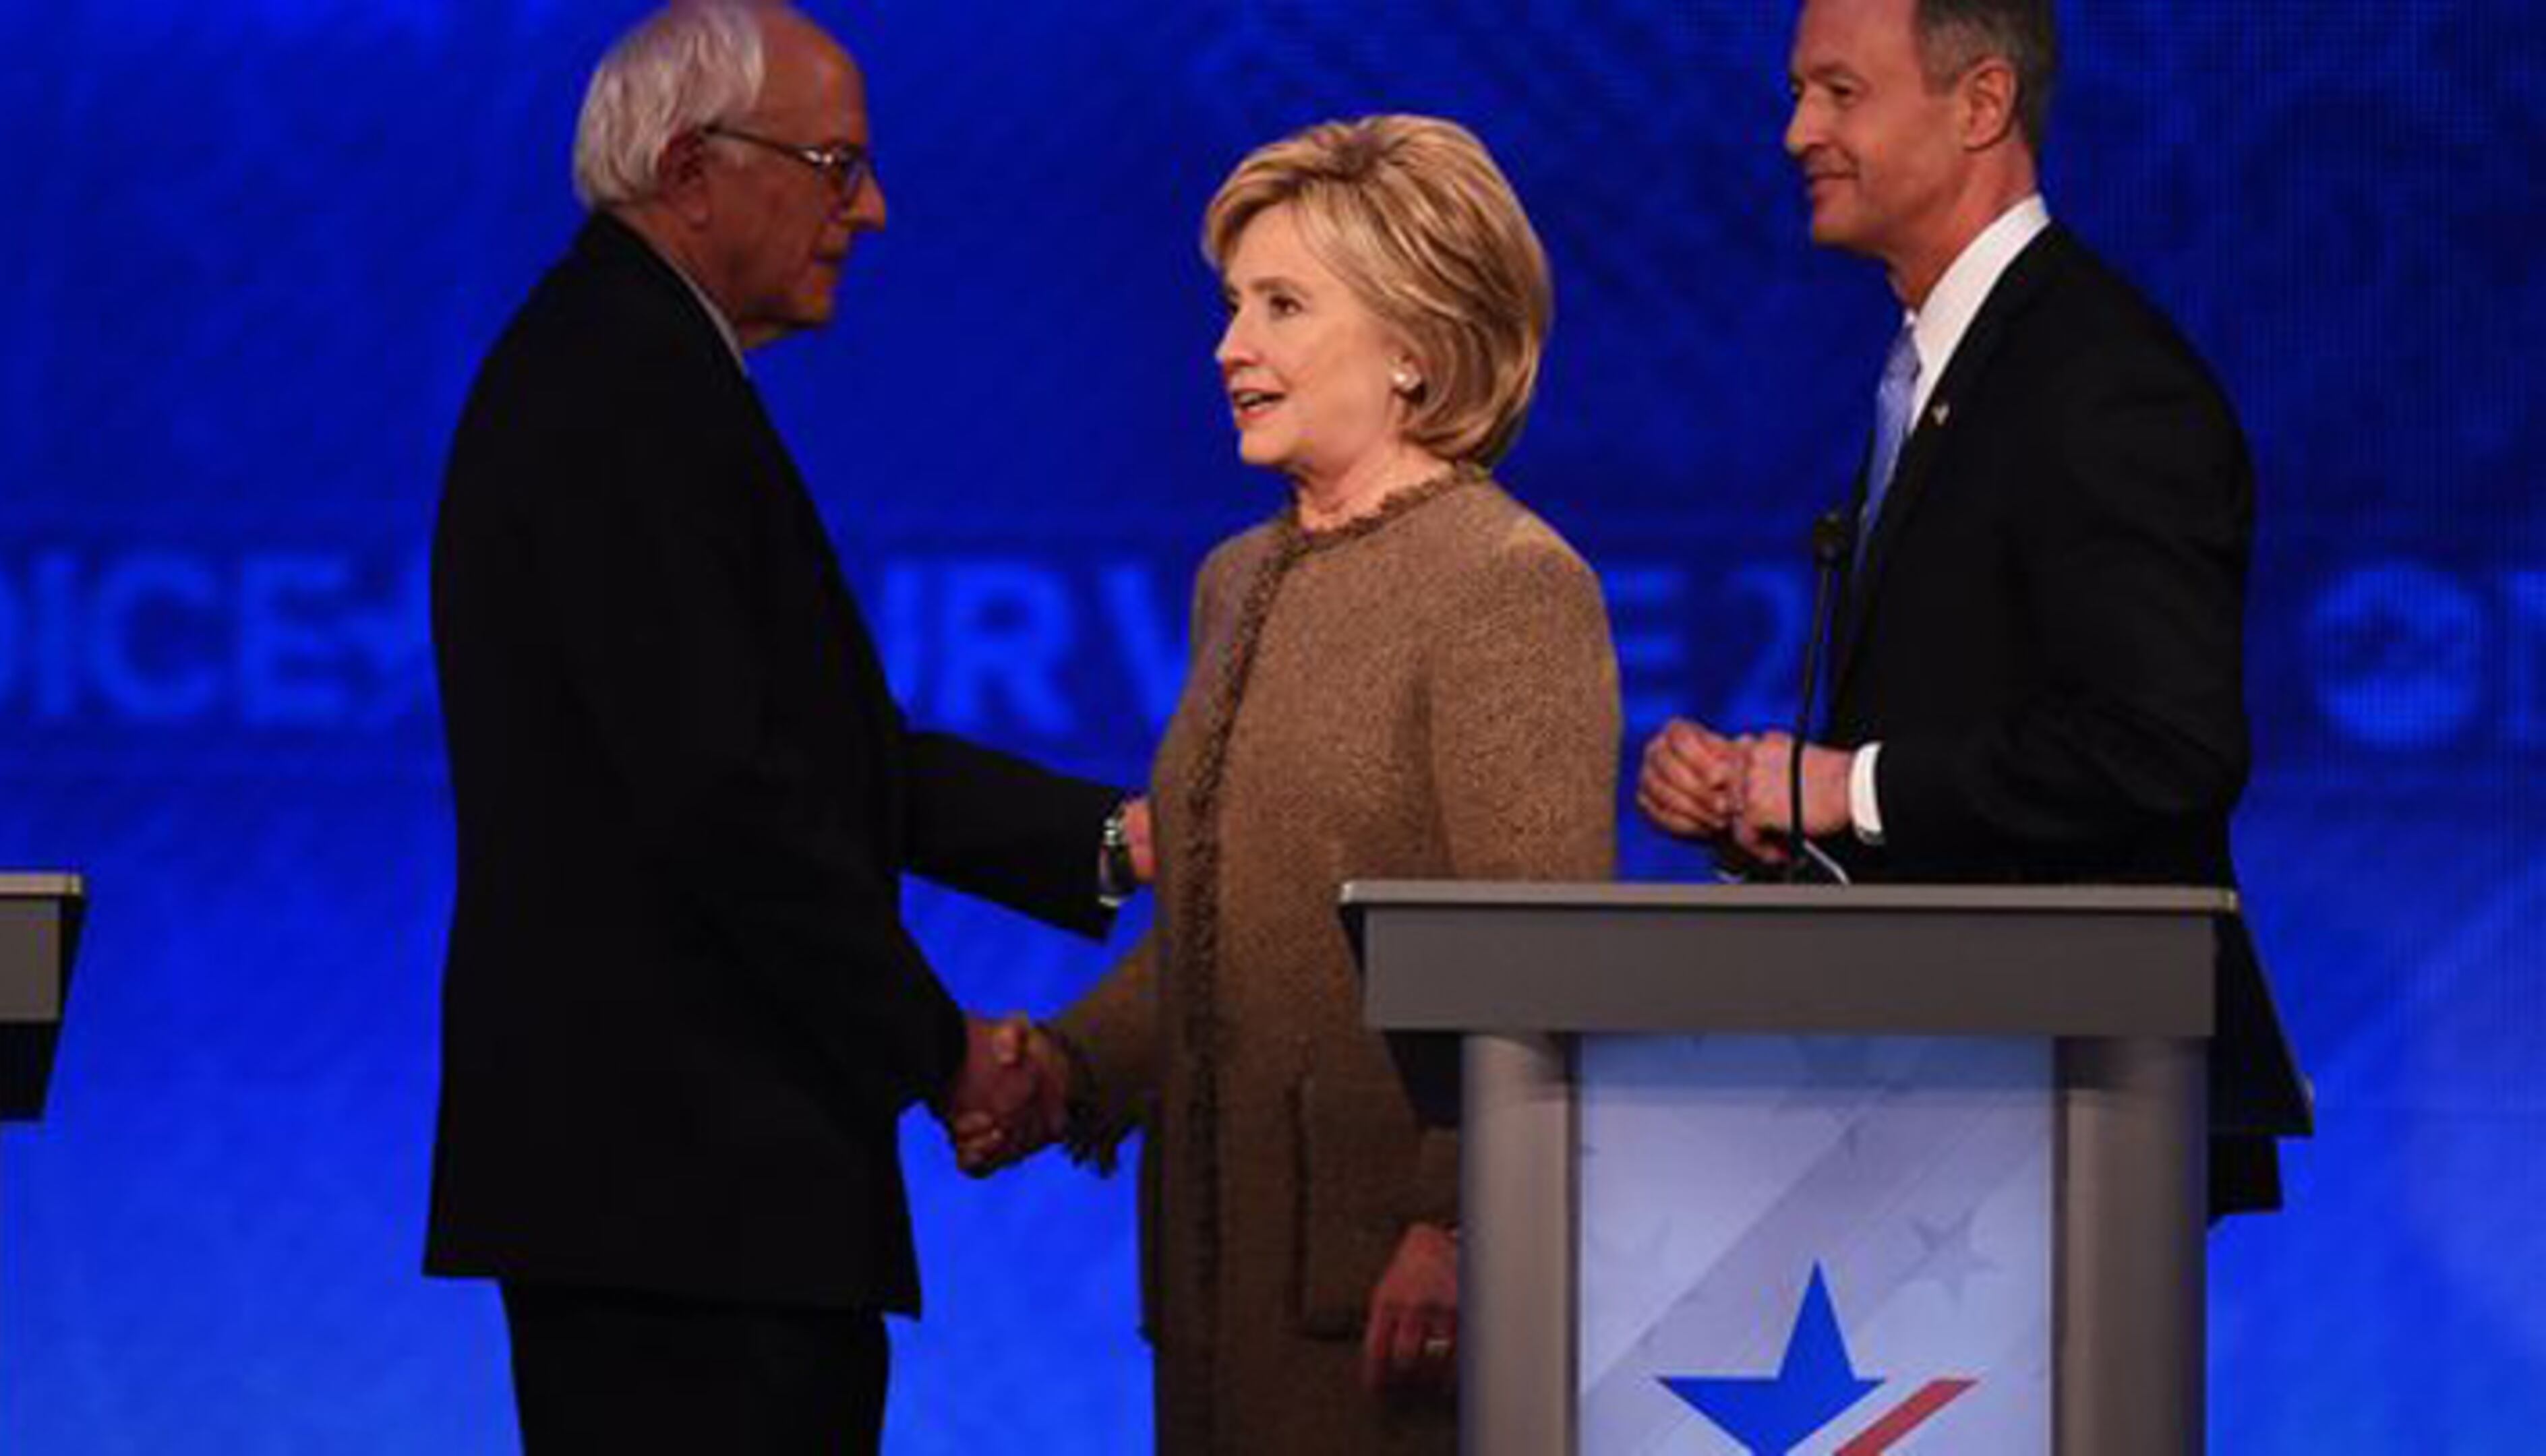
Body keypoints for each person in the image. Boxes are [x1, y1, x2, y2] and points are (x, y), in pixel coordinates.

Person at [424, 3, 1144, 1449]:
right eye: (835, 165)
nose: (869, 210)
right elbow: (721, 798)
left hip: (687, 1201)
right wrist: (942, 1050)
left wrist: (1119, 840)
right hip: (681, 1202)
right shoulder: (618, 391)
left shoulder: (635, 366)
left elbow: (819, 757)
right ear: (692, 168)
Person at [949, 115, 1618, 1454]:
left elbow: (1540, 959)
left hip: (1386, 1289)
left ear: (1417, 343)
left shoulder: (1507, 586)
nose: (1230, 348)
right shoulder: (1235, 580)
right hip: (1212, 1278)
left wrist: (1456, 1223)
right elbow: (1225, 923)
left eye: (1282, 306)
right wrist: (1071, 1067)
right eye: (1233, 304)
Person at [1636, 0, 2306, 1214]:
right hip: (1946, 1093)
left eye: (1840, 93)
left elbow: (2167, 748)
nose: (1796, 131)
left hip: (2072, 1098)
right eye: (1798, 92)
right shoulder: (1953, 362)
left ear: (1982, 104)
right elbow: (1969, 709)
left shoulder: (2101, 382)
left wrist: (1852, 787)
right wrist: (1776, 810)